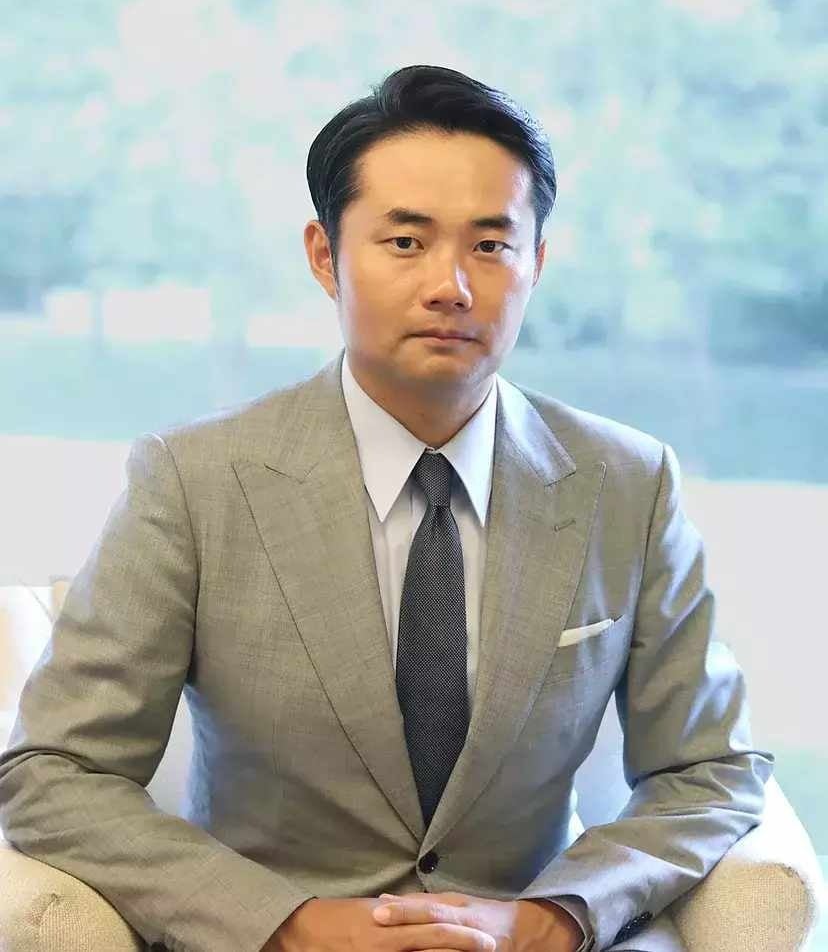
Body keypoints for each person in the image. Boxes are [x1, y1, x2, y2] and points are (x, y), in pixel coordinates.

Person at [0, 65, 774, 952]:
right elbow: (56, 772)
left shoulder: (628, 484)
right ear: (324, 255)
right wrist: (287, 924)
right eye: (406, 241)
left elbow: (709, 770)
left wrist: (559, 914)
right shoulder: (194, 480)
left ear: (536, 264)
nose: (452, 286)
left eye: (491, 246)